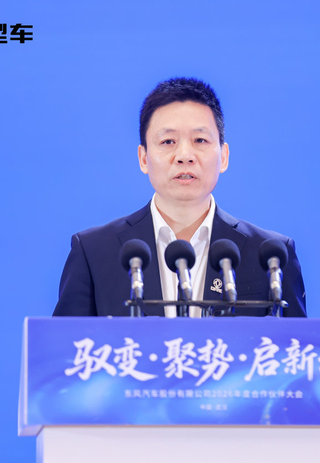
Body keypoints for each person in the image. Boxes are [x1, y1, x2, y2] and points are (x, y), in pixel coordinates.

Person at [53, 77, 306, 317]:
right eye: (168, 141)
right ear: (143, 158)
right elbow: (63, 346)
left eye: (200, 140)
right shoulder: (93, 252)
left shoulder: (272, 256)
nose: (185, 155)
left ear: (224, 156)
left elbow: (297, 346)